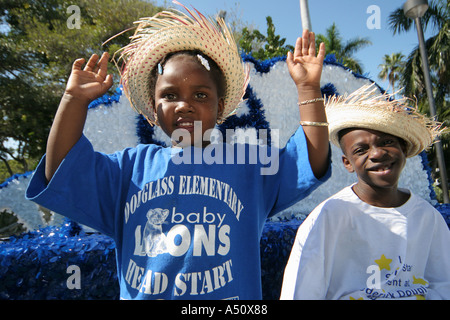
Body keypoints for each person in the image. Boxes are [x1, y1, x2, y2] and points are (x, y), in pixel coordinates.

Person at [26, 3, 331, 300]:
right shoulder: (129, 170)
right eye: (170, 95)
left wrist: (308, 89)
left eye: (200, 94)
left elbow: (310, 157)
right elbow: (62, 170)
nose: (184, 104)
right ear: (154, 111)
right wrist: (73, 101)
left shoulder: (247, 165)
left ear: (220, 106)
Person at [280, 85, 450, 300]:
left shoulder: (427, 217)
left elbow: (444, 284)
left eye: (387, 142)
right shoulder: (329, 217)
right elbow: (300, 292)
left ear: (404, 149)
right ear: (347, 163)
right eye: (361, 150)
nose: (378, 153)